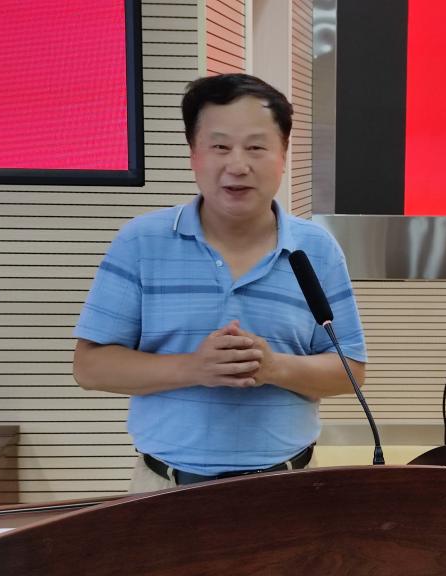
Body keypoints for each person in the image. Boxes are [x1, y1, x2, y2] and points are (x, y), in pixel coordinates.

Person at [72, 73, 367, 492]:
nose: (238, 165)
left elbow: (349, 370)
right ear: (193, 154)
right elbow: (90, 367)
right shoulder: (140, 242)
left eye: (256, 147)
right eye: (220, 147)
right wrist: (194, 368)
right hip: (164, 491)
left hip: (289, 487)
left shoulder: (316, 250)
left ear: (283, 155)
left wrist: (274, 367)